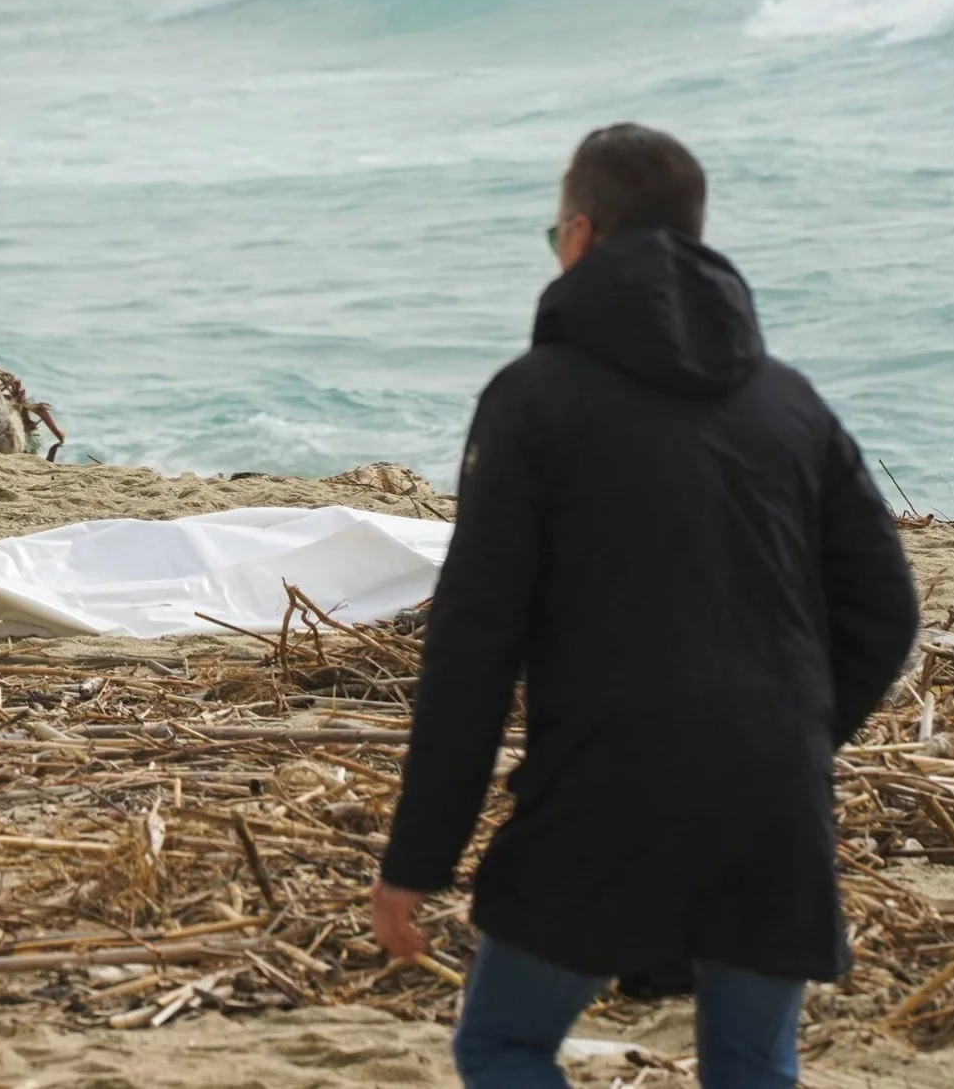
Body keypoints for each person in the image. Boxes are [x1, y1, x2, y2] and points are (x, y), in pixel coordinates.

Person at [370, 125, 919, 1089]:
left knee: (502, 1046)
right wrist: (790, 729)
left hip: (605, 790)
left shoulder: (533, 399)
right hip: (772, 791)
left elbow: (473, 644)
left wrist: (419, 855)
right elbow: (885, 609)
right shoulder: (791, 405)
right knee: (753, 1068)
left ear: (579, 236)